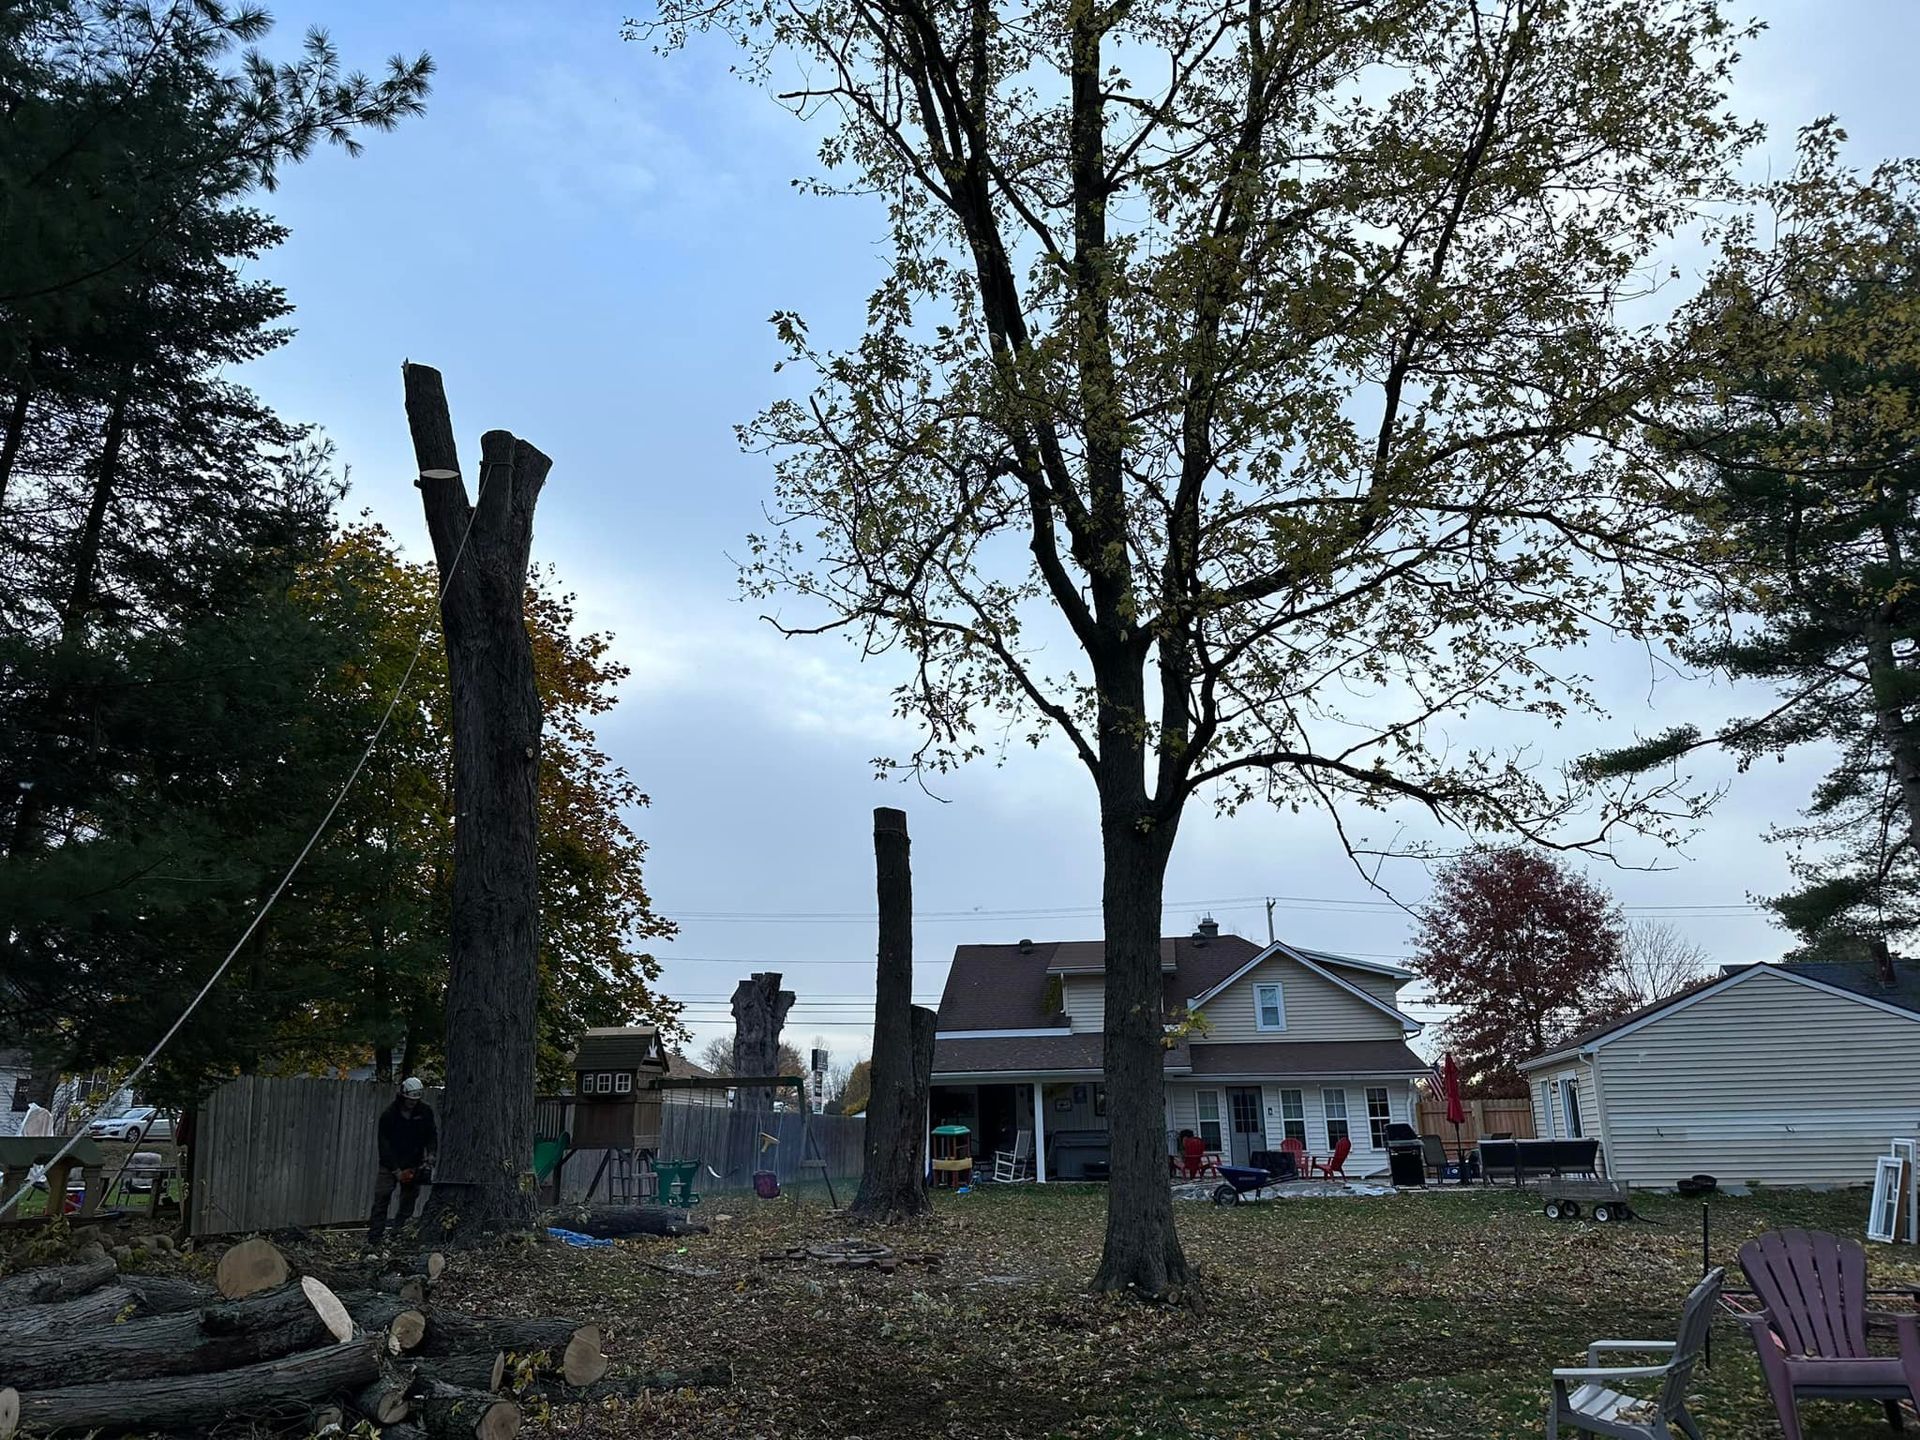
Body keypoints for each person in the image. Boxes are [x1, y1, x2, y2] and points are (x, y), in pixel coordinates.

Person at [366, 1076, 436, 1250]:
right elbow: (384, 1145)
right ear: (403, 1095)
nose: (412, 1103)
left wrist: (431, 1154)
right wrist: (395, 1170)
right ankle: (374, 1237)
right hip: (390, 1163)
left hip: (414, 1161)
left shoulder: (425, 1112)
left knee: (409, 1200)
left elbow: (431, 1135)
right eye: (409, 1099)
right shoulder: (389, 1115)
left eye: (415, 1100)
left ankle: (399, 1231)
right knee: (382, 1197)